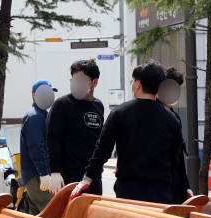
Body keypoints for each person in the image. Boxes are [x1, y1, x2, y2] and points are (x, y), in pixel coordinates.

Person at [71, 60, 182, 204]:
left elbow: (102, 150)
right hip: (160, 191)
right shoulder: (172, 119)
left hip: (129, 189)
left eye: (133, 81)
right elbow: (175, 160)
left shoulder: (120, 113)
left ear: (138, 84)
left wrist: (87, 179)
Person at [46, 59, 104, 196]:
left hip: (93, 175)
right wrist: (55, 171)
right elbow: (53, 138)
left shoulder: (98, 106)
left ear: (94, 82)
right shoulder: (62, 105)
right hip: (71, 175)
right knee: (73, 216)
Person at [19, 79, 57, 215]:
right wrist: (44, 173)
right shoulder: (35, 116)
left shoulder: (41, 115)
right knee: (53, 214)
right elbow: (37, 147)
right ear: (34, 95)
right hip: (37, 176)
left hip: (36, 175)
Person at [158, 66, 193, 204]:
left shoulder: (175, 117)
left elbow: (178, 156)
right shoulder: (154, 114)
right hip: (161, 184)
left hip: (176, 182)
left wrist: (187, 185)